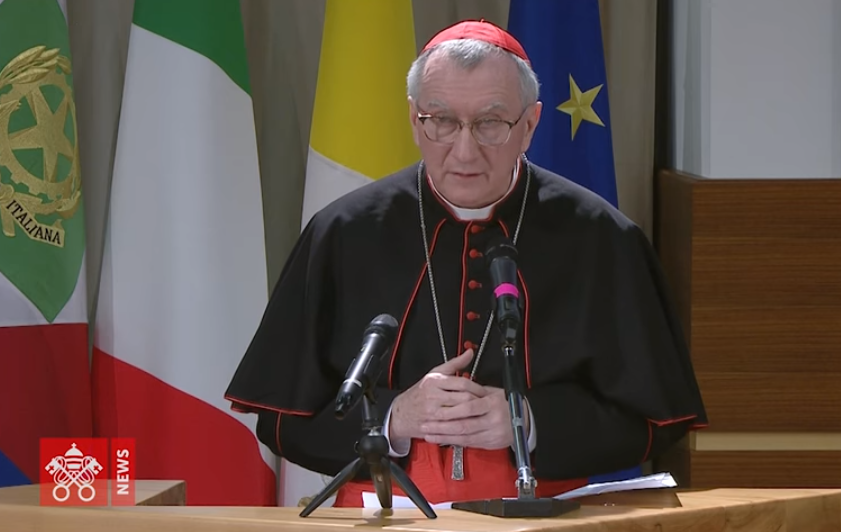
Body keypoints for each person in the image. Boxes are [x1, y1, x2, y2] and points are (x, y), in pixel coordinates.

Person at [224, 19, 707, 508]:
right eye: (442, 121)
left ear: (530, 125)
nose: (464, 150)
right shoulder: (345, 232)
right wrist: (395, 417)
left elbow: (656, 421)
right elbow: (281, 421)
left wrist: (527, 421)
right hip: (385, 517)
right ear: (415, 120)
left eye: (490, 123)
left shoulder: (600, 238)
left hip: (545, 519)